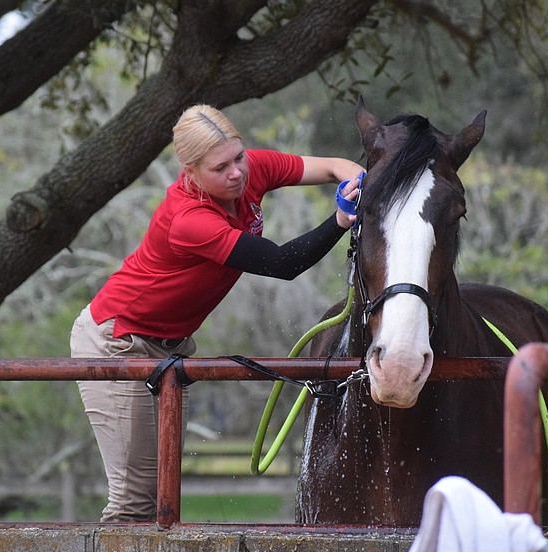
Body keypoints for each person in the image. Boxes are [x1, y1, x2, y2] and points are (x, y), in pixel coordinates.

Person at [71, 104, 364, 522]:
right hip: (116, 343)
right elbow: (282, 264)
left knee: (164, 496)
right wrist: (340, 220)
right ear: (189, 171)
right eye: (220, 167)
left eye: (239, 158)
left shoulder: (248, 170)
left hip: (170, 348)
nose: (237, 174)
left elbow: (336, 166)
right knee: (133, 505)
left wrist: (368, 183)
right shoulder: (188, 220)